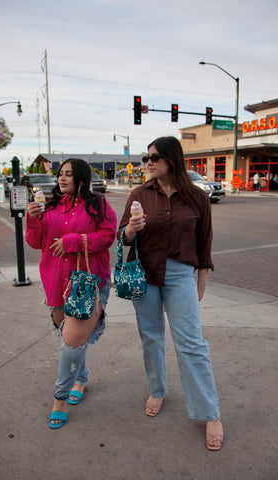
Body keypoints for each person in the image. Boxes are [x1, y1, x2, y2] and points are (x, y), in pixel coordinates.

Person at [117, 136, 224, 451]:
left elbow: (204, 243)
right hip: (144, 273)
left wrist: (200, 281)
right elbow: (122, 237)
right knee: (151, 336)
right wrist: (131, 230)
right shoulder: (139, 193)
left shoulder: (196, 198)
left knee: (191, 343)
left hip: (180, 275)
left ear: (171, 159)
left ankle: (210, 413)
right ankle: (158, 389)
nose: (148, 163)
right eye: (146, 158)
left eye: (154, 157)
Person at [26, 158, 117, 429]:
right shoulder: (49, 206)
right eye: (60, 174)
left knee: (72, 340)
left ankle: (60, 399)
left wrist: (73, 241)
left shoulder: (98, 205)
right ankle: (82, 378)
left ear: (81, 177)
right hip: (55, 281)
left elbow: (108, 235)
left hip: (88, 282)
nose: (61, 179)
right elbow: (35, 242)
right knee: (73, 340)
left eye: (68, 174)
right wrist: (32, 219)